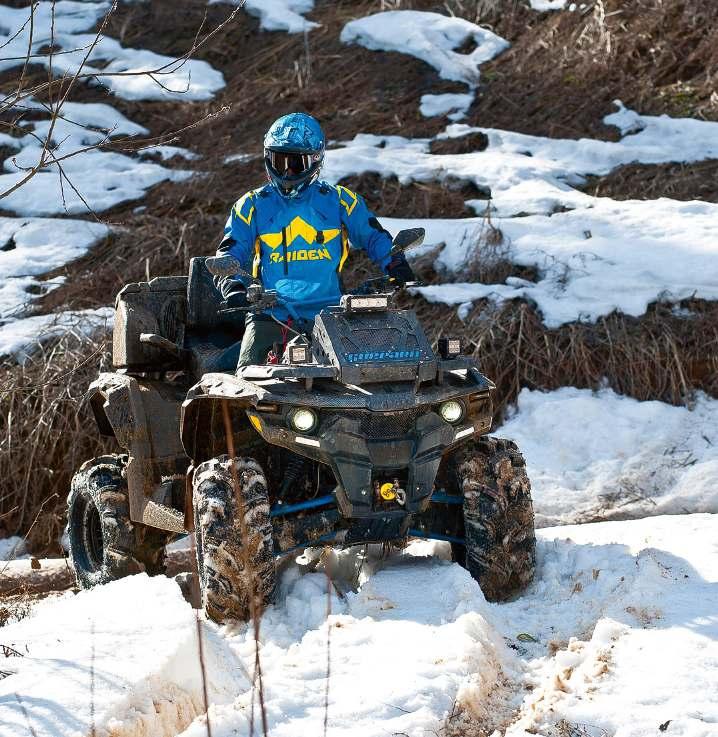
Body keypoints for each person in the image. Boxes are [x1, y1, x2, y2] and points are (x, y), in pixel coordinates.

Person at [216, 112, 415, 366]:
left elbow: (374, 236)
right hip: (270, 316)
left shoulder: (340, 200)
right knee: (243, 384)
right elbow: (229, 252)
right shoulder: (251, 205)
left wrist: (395, 262)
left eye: (296, 164)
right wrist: (233, 286)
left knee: (379, 372)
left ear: (316, 160)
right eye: (278, 161)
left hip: (335, 316)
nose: (286, 172)